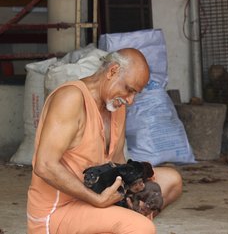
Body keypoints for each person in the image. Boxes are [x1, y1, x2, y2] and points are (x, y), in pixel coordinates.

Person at [27, 48, 183, 234]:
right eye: (129, 90)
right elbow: (44, 165)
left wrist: (132, 192)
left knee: (171, 181)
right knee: (140, 228)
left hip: (96, 197)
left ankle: (117, 222)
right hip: (59, 211)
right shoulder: (71, 98)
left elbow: (117, 163)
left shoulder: (116, 106)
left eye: (136, 94)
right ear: (112, 71)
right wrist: (97, 199)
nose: (131, 100)